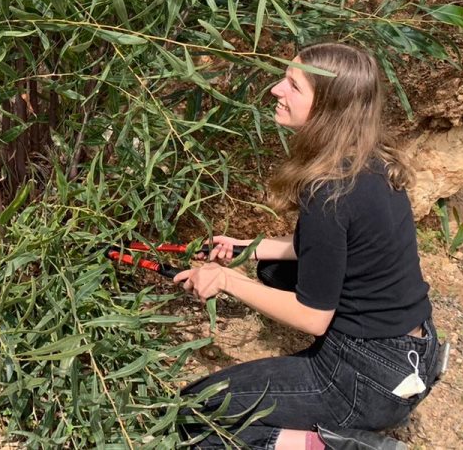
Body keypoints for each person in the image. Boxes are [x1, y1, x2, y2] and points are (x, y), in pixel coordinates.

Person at [174, 43, 440, 450]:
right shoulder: (372, 162)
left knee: (195, 413)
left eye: (293, 86)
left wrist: (226, 279)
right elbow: (329, 249)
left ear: (328, 108)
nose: (275, 90)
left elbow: (313, 317)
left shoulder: (330, 192)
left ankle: (328, 445)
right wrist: (248, 246)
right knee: (273, 271)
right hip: (413, 351)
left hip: (365, 378)